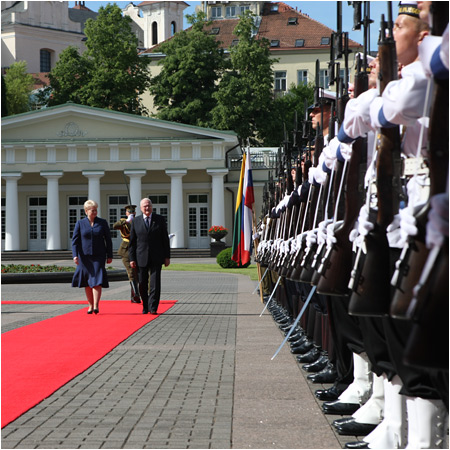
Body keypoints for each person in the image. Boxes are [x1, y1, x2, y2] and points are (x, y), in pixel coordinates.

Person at [129, 198, 170, 314]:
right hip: (141, 256)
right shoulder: (136, 221)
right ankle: (145, 306)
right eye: (145, 206)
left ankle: (153, 307)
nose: (147, 208)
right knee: (142, 283)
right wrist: (131, 258)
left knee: (155, 284)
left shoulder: (159, 220)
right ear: (141, 208)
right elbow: (132, 242)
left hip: (157, 256)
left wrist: (167, 256)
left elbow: (165, 239)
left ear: (152, 207)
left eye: (149, 206)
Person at [72, 199, 113, 314]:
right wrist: (75, 255)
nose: (94, 212)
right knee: (87, 282)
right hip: (84, 257)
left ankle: (96, 305)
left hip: (99, 256)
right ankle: (90, 305)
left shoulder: (102, 222)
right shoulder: (80, 223)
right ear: (86, 211)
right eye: (92, 210)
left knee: (97, 280)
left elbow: (108, 240)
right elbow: (75, 241)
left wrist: (109, 255)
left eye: (95, 210)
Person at [113, 204, 141, 304]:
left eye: (133, 212)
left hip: (137, 248)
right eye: (129, 212)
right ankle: (137, 294)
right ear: (126, 213)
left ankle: (134, 297)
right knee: (131, 272)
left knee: (137, 273)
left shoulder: (138, 221)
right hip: (126, 249)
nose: (131, 214)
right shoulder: (123, 221)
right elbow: (115, 226)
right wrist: (126, 220)